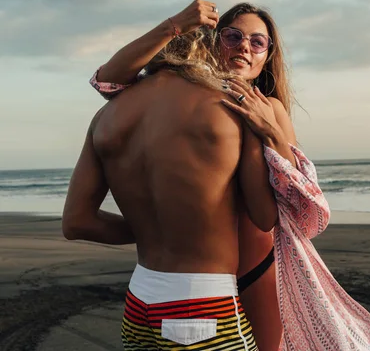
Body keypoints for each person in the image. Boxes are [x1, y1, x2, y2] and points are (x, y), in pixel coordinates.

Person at [88, 0, 370, 350]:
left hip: (255, 268)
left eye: (258, 42)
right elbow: (106, 83)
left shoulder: (267, 107)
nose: (244, 46)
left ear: (267, 56)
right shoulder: (201, 102)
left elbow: (289, 203)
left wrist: (270, 132)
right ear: (212, 42)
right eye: (233, 36)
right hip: (208, 282)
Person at [62, 23, 295, 350]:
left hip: (139, 303)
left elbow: (76, 223)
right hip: (202, 305)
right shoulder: (233, 107)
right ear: (209, 51)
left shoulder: (105, 116)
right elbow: (265, 215)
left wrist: (149, 227)